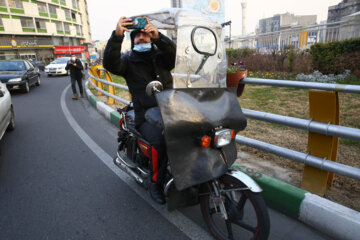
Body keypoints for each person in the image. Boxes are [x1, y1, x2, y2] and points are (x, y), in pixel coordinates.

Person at [103, 17, 176, 204]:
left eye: (145, 34)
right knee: (160, 140)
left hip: (171, 111)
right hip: (146, 117)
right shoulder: (127, 62)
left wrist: (159, 36)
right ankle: (155, 184)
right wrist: (117, 35)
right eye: (137, 36)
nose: (141, 38)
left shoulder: (162, 58)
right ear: (132, 40)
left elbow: (175, 55)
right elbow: (110, 64)